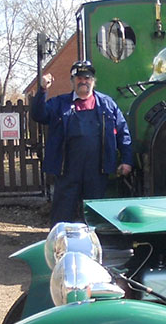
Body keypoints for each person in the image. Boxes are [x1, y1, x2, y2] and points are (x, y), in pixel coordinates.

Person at [31, 60, 133, 225]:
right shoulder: (59, 104)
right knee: (62, 217)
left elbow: (123, 133)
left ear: (93, 80)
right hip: (67, 171)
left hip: (97, 171)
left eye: (87, 78)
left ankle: (95, 247)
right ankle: (60, 247)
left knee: (94, 218)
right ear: (72, 81)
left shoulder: (108, 105)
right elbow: (38, 115)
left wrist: (127, 161)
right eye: (79, 78)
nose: (83, 81)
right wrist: (43, 90)